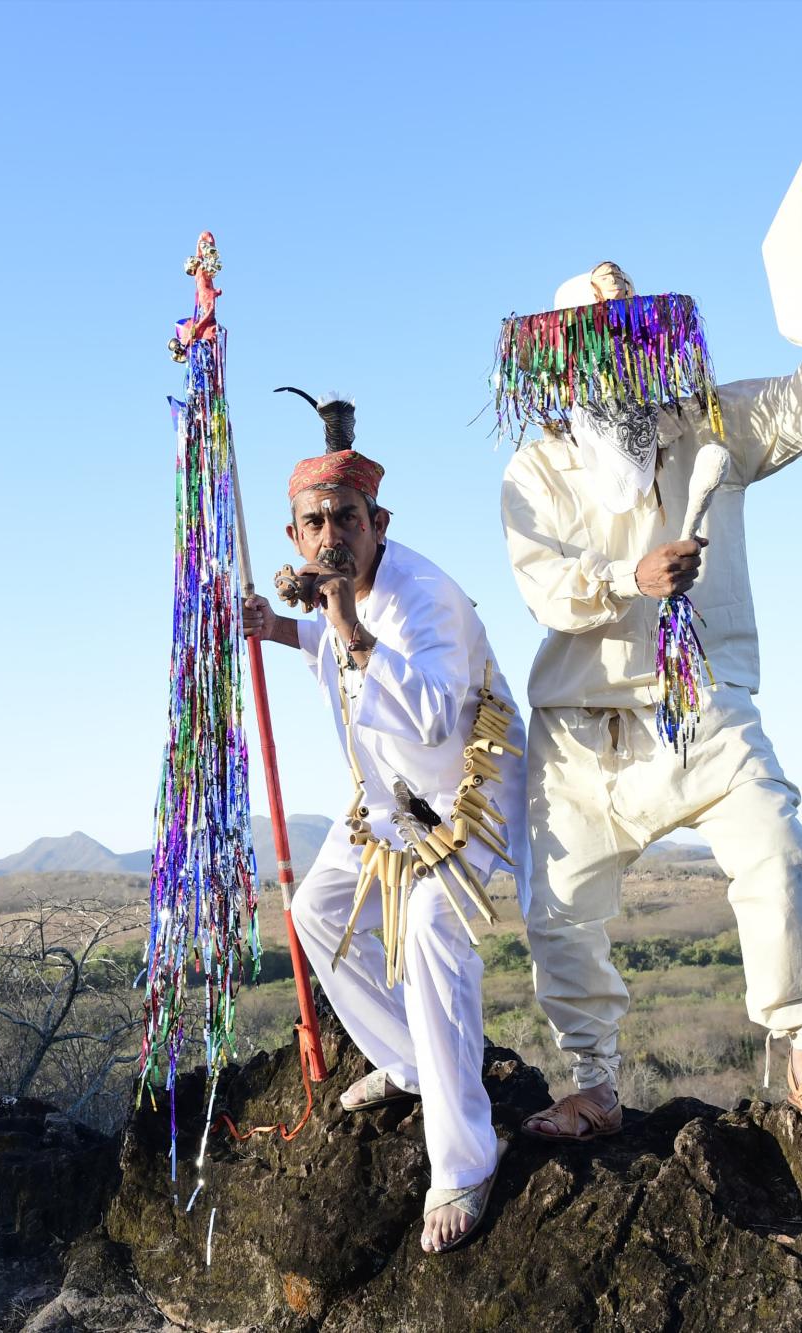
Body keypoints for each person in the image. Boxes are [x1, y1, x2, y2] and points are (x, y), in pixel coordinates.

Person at [500, 262, 802, 1161]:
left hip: (702, 701)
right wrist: (626, 577)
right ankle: (594, 1085)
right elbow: (545, 587)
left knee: (778, 850)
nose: (617, 361)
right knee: (558, 911)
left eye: (631, 339)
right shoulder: (533, 469)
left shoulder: (712, 424)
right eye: (597, 347)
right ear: (562, 363)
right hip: (583, 728)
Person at [244, 388, 526, 1250]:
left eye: (346, 517)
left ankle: (466, 1158)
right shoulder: (336, 600)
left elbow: (433, 715)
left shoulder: (423, 596)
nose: (331, 533)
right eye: (315, 522)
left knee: (434, 933)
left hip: (467, 794)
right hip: (389, 803)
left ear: (378, 522)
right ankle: (409, 1061)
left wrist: (347, 627)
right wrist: (280, 628)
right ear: (295, 535)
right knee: (316, 911)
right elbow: (329, 650)